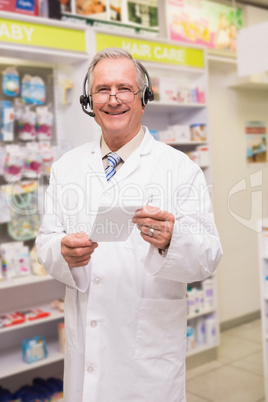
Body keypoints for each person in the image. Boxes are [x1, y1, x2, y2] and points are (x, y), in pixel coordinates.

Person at [36, 48, 222, 402]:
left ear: (144, 98)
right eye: (103, 90)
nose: (113, 99)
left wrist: (171, 240)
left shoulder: (179, 168)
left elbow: (209, 255)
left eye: (125, 89)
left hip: (147, 358)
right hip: (88, 346)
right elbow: (46, 242)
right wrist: (63, 252)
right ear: (89, 102)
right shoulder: (66, 168)